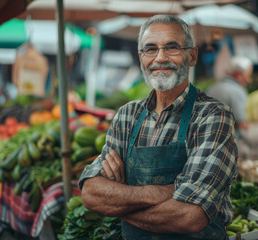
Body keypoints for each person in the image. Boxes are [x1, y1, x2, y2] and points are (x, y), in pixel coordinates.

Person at [78, 15, 238, 240]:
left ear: (192, 56)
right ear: (141, 57)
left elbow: (191, 216)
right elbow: (91, 194)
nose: (160, 58)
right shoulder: (127, 116)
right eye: (150, 49)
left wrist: (119, 204)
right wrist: (167, 192)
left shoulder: (212, 115)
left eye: (172, 48)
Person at [206, 56, 253, 130]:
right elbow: (243, 125)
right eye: (248, 76)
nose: (249, 80)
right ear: (239, 75)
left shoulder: (211, 88)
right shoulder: (237, 91)